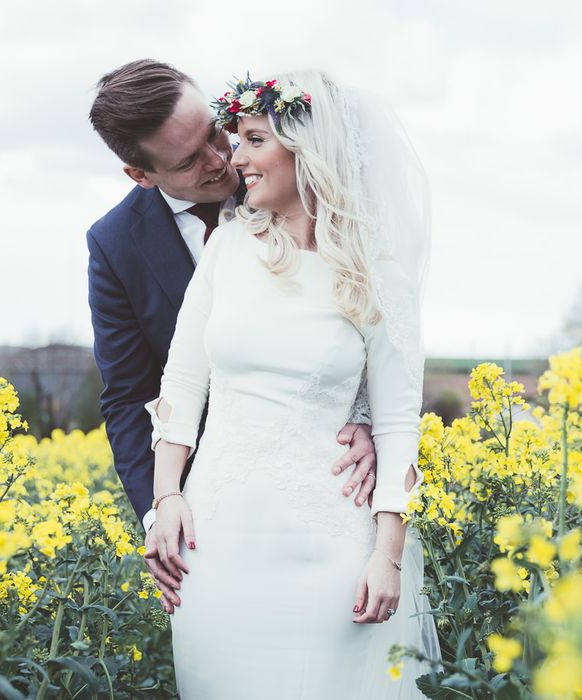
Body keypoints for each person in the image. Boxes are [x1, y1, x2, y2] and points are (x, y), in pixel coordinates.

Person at [147, 70, 440, 698]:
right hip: (214, 547)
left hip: (330, 553)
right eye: (238, 139)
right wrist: (165, 497)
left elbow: (395, 425)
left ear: (307, 151)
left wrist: (387, 555)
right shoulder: (227, 250)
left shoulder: (375, 274)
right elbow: (181, 383)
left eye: (254, 140)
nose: (237, 158)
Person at [86, 60, 378, 616]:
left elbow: (367, 323)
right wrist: (160, 508)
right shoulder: (115, 244)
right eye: (190, 161)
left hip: (327, 496)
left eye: (216, 135)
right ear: (141, 175)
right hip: (213, 511)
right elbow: (128, 394)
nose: (223, 160)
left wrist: (363, 415)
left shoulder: (289, 171)